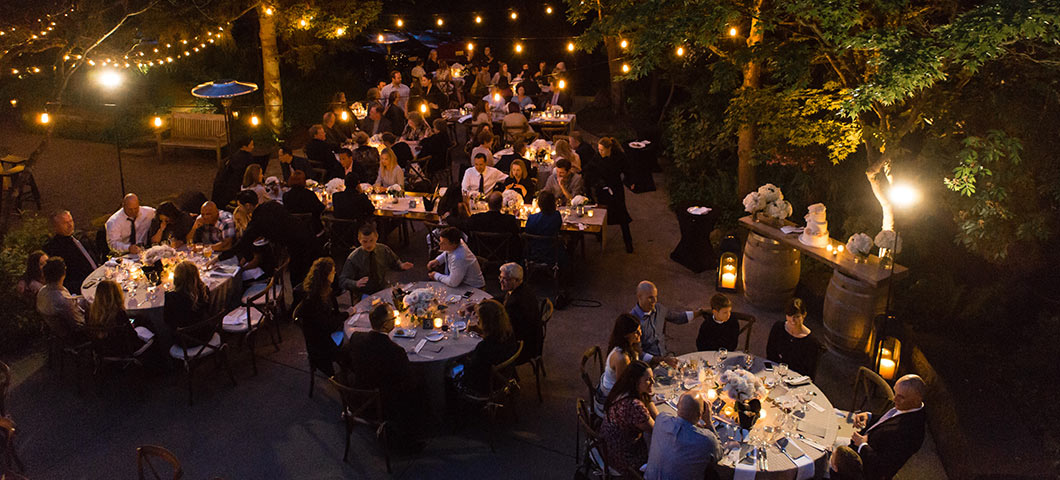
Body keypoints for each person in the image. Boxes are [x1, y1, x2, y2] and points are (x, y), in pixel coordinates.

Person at [342, 303, 422, 444]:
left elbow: (346, 361)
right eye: (393, 319)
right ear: (386, 325)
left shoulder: (356, 337)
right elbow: (409, 382)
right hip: (383, 403)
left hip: (358, 394)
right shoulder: (395, 351)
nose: (395, 321)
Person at [219, 192, 321, 286]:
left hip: (298, 246)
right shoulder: (272, 204)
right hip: (309, 235)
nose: (239, 209)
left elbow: (241, 245)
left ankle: (300, 303)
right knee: (318, 274)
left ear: (248, 206)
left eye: (240, 206)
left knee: (298, 278)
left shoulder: (256, 222)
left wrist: (219, 258)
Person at [851, 374, 928, 480]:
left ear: (916, 400)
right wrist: (869, 416)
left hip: (861, 469)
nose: (895, 399)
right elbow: (888, 422)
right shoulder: (906, 406)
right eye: (895, 392)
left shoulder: (911, 432)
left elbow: (883, 469)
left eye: (901, 397)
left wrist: (862, 445)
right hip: (857, 447)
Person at [644, 392, 722, 480]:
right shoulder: (706, 440)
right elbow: (719, 454)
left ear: (677, 406)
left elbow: (682, 423)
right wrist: (709, 422)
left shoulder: (661, 419)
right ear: (701, 415)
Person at [599, 360, 658, 473]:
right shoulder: (634, 406)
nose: (653, 382)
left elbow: (648, 402)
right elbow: (656, 429)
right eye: (648, 380)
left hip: (608, 446)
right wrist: (661, 416)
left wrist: (648, 395)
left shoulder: (622, 390)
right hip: (623, 457)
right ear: (635, 381)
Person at [294, 257, 345, 377]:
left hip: (322, 333)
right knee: (354, 346)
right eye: (333, 272)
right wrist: (347, 314)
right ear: (326, 275)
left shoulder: (322, 291)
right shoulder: (315, 301)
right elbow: (328, 324)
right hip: (322, 344)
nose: (335, 274)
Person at [457, 299, 519, 395]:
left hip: (483, 386)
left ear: (486, 324)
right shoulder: (508, 332)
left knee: (449, 369)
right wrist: (480, 330)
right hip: (505, 375)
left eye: (479, 319)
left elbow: (470, 370)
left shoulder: (484, 347)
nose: (477, 320)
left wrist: (460, 359)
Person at [338, 223, 413, 299]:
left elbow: (394, 262)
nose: (368, 244)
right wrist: (355, 283)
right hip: (363, 292)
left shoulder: (383, 249)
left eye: (371, 240)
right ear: (359, 240)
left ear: (377, 237)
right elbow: (342, 280)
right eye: (365, 241)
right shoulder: (354, 258)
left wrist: (401, 266)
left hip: (382, 288)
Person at [586, 137, 634, 253]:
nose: (600, 152)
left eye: (602, 150)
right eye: (599, 149)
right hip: (602, 189)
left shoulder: (619, 157)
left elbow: (628, 169)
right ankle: (599, 235)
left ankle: (628, 243)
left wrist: (630, 182)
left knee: (621, 214)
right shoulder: (598, 157)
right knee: (601, 212)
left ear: (609, 149)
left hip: (615, 188)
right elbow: (590, 168)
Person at [631, 281, 693, 361]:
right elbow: (637, 352)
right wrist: (661, 360)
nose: (654, 301)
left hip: (665, 357)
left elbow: (678, 318)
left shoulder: (659, 309)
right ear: (639, 297)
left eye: (655, 296)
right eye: (650, 297)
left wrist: (700, 312)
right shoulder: (633, 319)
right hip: (649, 364)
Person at [42, 210, 98, 294]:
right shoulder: (54, 248)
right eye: (65, 223)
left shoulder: (80, 237)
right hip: (83, 287)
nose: (70, 225)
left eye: (71, 221)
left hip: (98, 276)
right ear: (56, 227)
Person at [766, 298, 824, 378]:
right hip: (776, 375)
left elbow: (809, 374)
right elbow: (770, 355)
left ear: (804, 315)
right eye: (790, 316)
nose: (792, 320)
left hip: (796, 381)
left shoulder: (812, 343)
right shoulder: (778, 328)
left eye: (797, 316)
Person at [495, 263, 541, 363]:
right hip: (534, 340)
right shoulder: (522, 288)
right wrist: (486, 302)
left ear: (516, 280)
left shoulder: (515, 302)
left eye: (505, 279)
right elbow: (504, 298)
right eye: (500, 277)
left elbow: (505, 330)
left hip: (522, 348)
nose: (501, 281)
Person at [85, 279, 143, 357]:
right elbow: (133, 337)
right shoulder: (118, 315)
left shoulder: (90, 312)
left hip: (101, 350)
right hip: (122, 350)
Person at [164, 261, 214, 348]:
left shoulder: (172, 297)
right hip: (207, 333)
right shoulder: (204, 290)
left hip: (186, 341)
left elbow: (167, 321)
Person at [36, 257, 86, 337]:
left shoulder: (42, 291)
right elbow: (79, 324)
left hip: (58, 331)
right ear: (63, 273)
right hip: (74, 335)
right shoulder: (62, 300)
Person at [211, 136, 254, 208]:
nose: (253, 147)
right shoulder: (246, 159)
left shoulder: (234, 156)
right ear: (244, 146)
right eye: (251, 145)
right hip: (230, 190)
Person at [524, 190, 562, 262]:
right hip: (552, 252)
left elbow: (527, 232)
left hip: (534, 251)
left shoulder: (532, 218)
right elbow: (558, 228)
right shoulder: (556, 216)